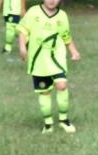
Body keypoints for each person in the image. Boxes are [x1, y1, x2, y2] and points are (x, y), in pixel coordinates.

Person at [17, 0, 81, 133]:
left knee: (62, 86)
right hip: (39, 60)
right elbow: (23, 30)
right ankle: (48, 124)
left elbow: (66, 36)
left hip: (57, 58)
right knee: (44, 92)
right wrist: (22, 47)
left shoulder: (62, 16)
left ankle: (64, 120)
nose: (52, 0)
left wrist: (73, 51)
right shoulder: (34, 12)